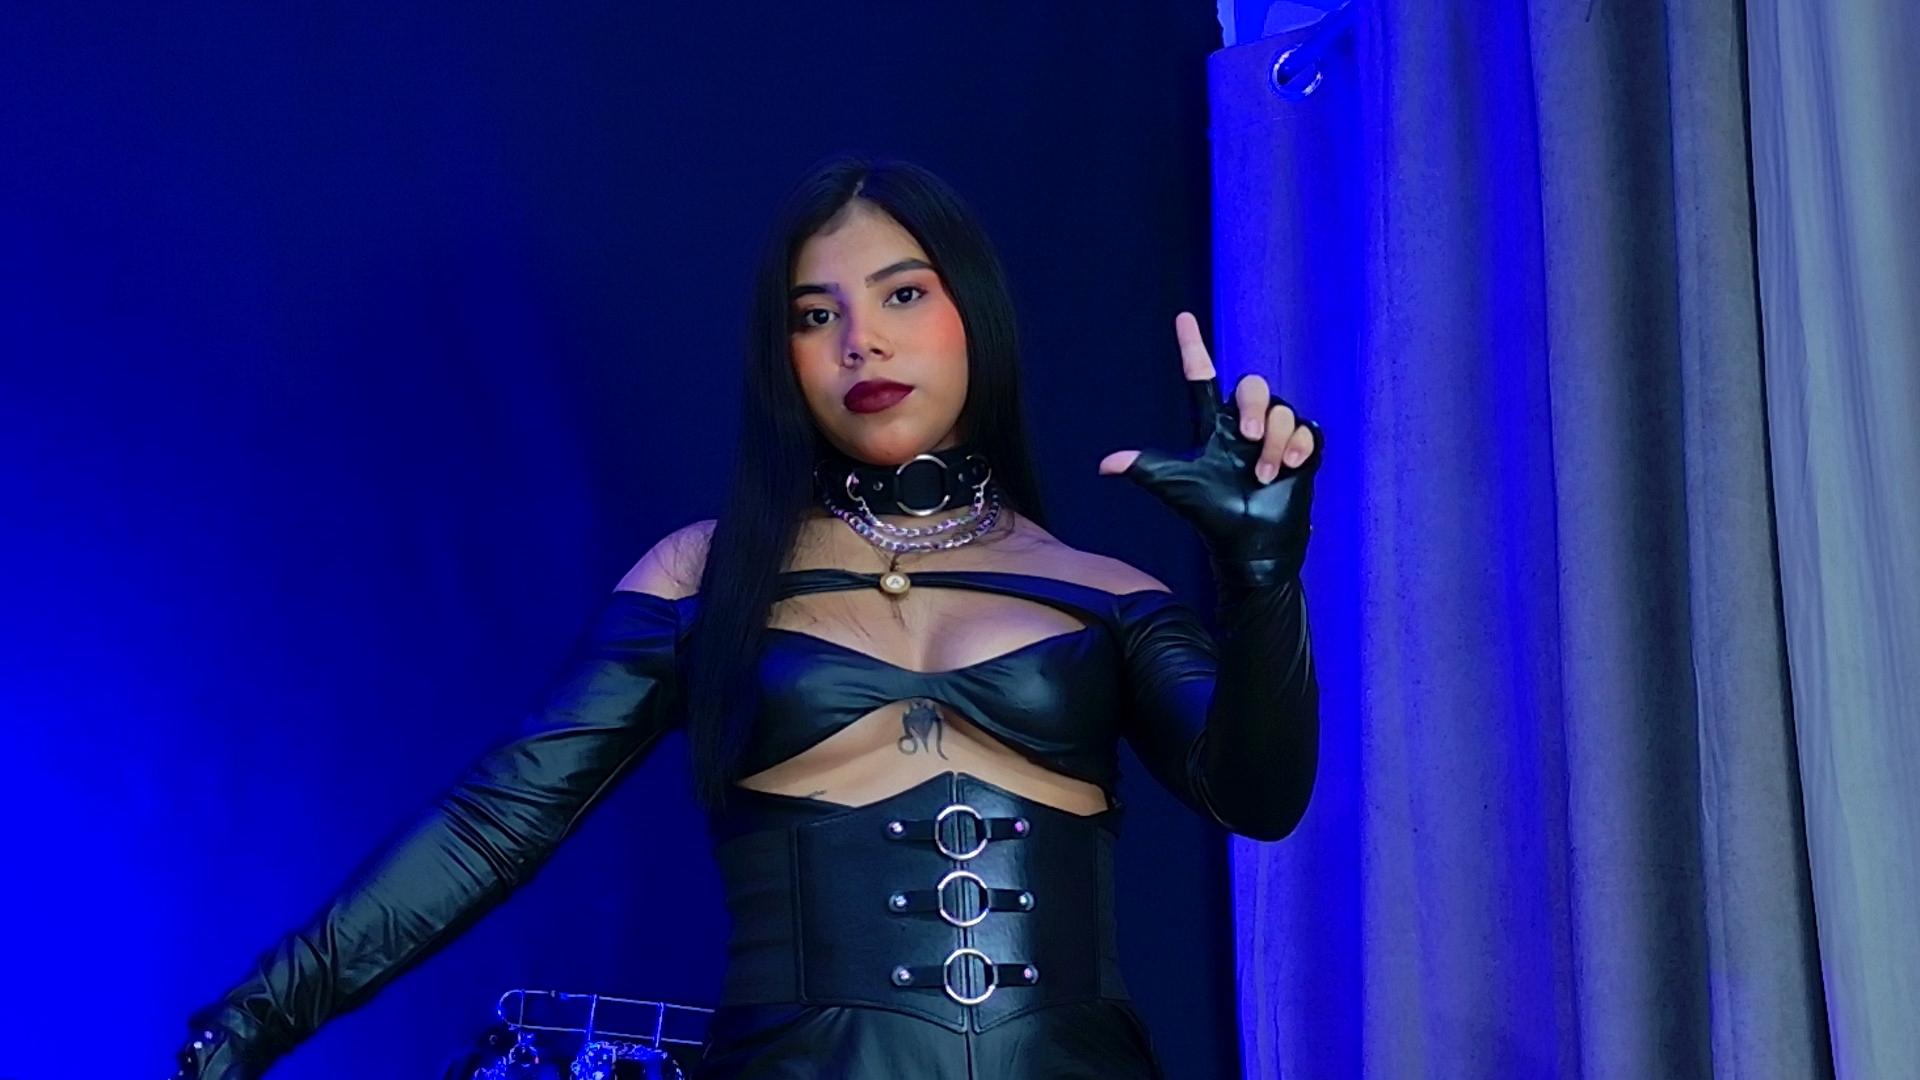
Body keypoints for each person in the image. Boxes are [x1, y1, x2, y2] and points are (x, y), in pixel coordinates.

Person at [172, 154, 1322, 1079]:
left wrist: (1262, 578)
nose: (861, 340)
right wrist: (256, 1018)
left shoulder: (1107, 590)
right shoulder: (704, 575)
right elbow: (493, 825)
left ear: (976, 314)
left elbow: (1260, 797)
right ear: (784, 356)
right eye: (816, 314)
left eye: (903, 294)